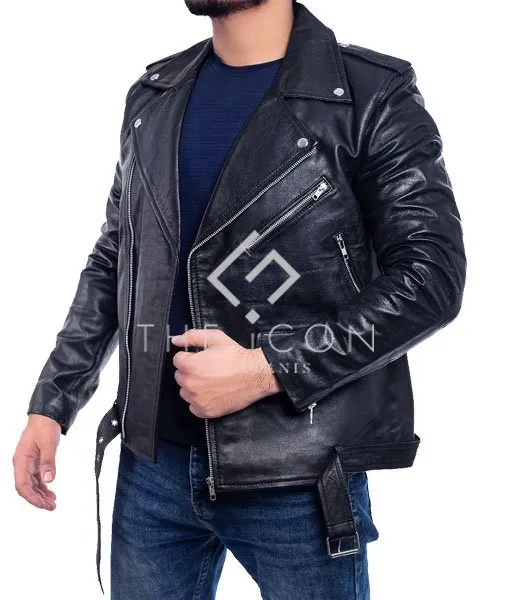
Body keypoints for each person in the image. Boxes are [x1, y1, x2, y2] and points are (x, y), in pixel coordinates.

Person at [13, 1, 466, 598]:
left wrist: (267, 368)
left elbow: (430, 279)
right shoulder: (154, 95)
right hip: (151, 468)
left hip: (298, 474)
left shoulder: (369, 95)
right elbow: (116, 258)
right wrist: (52, 402)